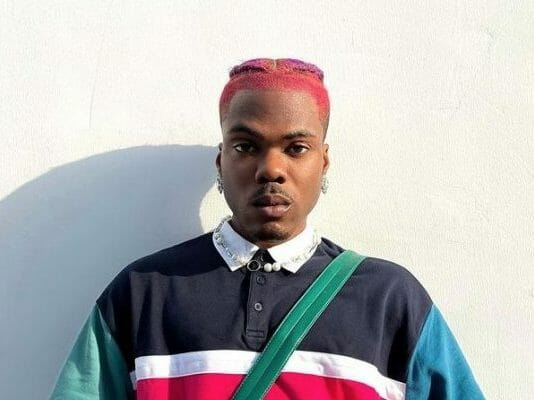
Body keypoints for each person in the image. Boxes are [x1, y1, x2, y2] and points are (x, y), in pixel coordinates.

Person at [51, 58, 484, 399]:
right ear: (221, 161)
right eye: (245, 146)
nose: (271, 169)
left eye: (296, 148)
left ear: (323, 162)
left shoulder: (391, 300)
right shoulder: (142, 292)